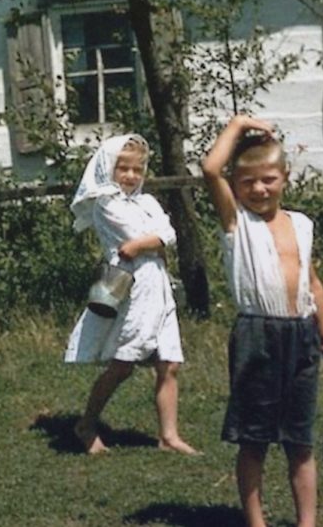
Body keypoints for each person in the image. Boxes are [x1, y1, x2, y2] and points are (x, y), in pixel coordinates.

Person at [201, 115, 323, 527]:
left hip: (301, 335)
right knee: (255, 439)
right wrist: (240, 124)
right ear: (236, 184)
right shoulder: (237, 223)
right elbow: (210, 169)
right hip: (257, 335)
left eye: (268, 179)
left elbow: (313, 285)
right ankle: (256, 522)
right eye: (247, 182)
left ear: (285, 176)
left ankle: (307, 521)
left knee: (300, 438)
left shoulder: (301, 225)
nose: (259, 189)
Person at [64, 134, 199, 456]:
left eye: (137, 170)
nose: (130, 176)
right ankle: (86, 423)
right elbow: (133, 239)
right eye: (122, 168)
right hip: (132, 285)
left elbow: (168, 234)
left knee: (169, 363)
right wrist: (150, 241)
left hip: (159, 285)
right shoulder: (106, 204)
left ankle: (169, 436)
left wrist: (147, 243)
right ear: (107, 169)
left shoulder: (147, 202)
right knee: (124, 362)